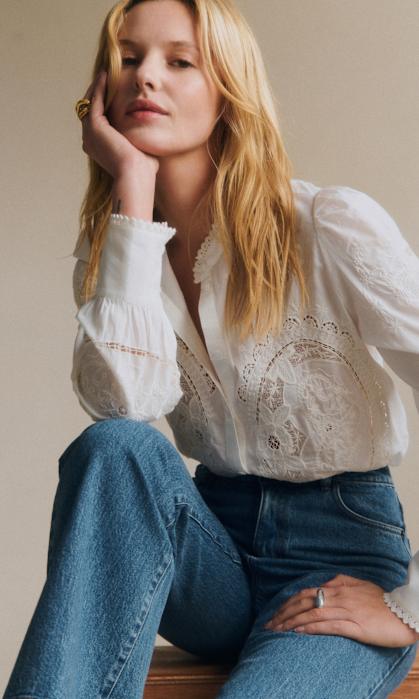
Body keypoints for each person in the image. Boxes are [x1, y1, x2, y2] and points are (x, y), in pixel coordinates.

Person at [3, 0, 419, 697]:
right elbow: (123, 408)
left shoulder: (327, 227)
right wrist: (133, 188)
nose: (145, 77)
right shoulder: (118, 256)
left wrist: (411, 606)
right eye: (127, 58)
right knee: (115, 448)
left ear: (228, 90)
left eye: (179, 61)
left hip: (338, 558)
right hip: (211, 557)